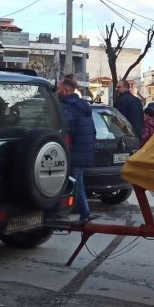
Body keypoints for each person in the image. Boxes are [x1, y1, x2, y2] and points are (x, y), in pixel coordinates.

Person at [57, 78, 95, 223]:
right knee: (77, 182)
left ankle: (84, 214)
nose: (56, 90)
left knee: (75, 183)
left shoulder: (67, 107)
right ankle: (81, 213)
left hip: (74, 151)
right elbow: (92, 131)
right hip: (84, 149)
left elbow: (66, 130)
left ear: (66, 90)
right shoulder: (83, 105)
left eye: (58, 87)